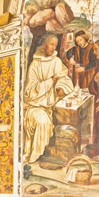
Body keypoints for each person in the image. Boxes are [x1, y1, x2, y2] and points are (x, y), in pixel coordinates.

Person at [24, 35, 74, 163]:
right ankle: (36, 157)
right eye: (51, 44)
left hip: (49, 107)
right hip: (34, 107)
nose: (53, 48)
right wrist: (50, 82)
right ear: (44, 45)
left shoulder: (56, 61)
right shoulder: (35, 65)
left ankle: (46, 156)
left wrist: (61, 87)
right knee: (42, 122)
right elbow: (29, 92)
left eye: (55, 45)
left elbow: (63, 77)